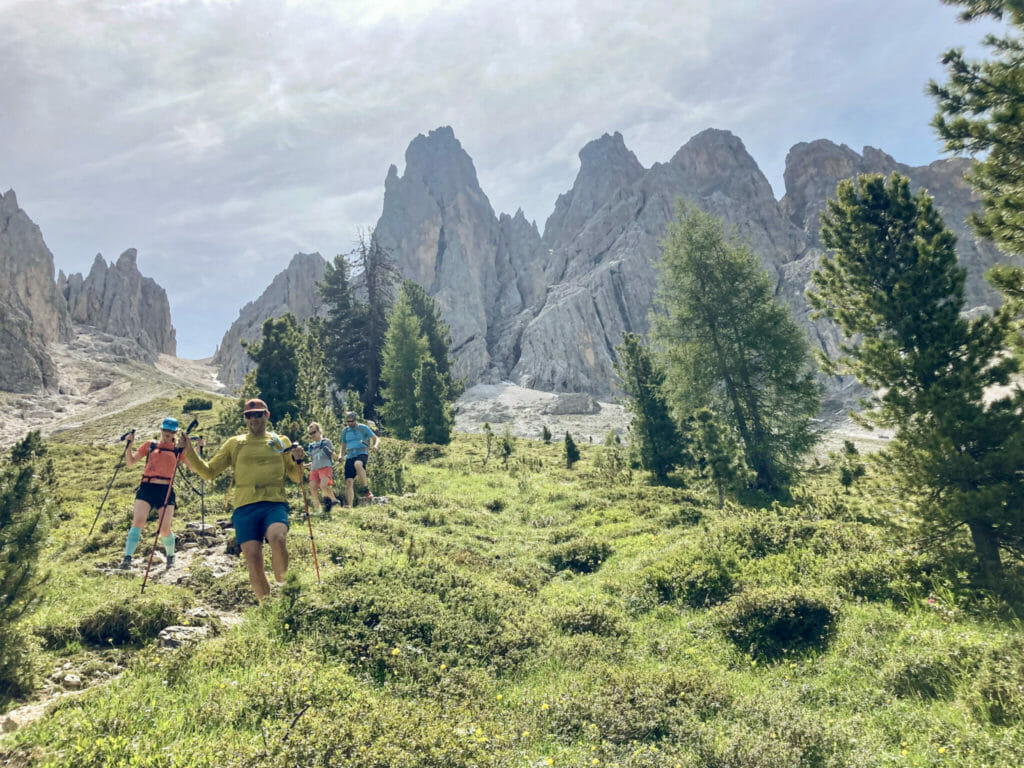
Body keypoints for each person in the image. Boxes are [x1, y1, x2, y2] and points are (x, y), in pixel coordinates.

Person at [178, 398, 305, 601]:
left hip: (274, 503)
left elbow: (296, 477)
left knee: (278, 537)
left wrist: (299, 460)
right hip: (245, 508)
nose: (254, 418)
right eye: (249, 415)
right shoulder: (234, 443)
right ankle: (267, 607)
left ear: (267, 415)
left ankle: (285, 593)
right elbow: (209, 472)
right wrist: (190, 452)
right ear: (244, 418)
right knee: (253, 559)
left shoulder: (282, 442)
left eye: (258, 414)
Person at [119, 417, 187, 570]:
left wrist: (198, 449)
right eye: (165, 430)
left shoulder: (178, 450)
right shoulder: (150, 445)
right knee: (138, 522)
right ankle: (127, 558)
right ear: (161, 430)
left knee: (164, 529)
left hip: (166, 490)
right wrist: (129, 445)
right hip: (147, 487)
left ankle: (170, 557)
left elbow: (193, 466)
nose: (168, 433)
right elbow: (130, 462)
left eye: (171, 431)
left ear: (175, 433)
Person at [340, 411, 379, 507]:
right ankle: (349, 505)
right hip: (350, 455)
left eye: (351, 421)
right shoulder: (345, 431)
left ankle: (366, 489)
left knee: (358, 464)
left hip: (362, 452)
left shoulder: (363, 428)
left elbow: (376, 438)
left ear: (355, 420)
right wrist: (340, 455)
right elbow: (343, 445)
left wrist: (375, 446)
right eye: (348, 422)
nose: (350, 423)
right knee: (349, 482)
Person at [306, 421, 339, 514]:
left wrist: (334, 455)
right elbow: (314, 460)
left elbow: (333, 455)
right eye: (310, 433)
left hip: (325, 467)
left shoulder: (326, 442)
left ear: (319, 431)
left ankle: (334, 500)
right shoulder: (311, 446)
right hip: (314, 469)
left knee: (323, 486)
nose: (312, 435)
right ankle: (318, 510)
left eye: (314, 432)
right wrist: (305, 465)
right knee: (312, 488)